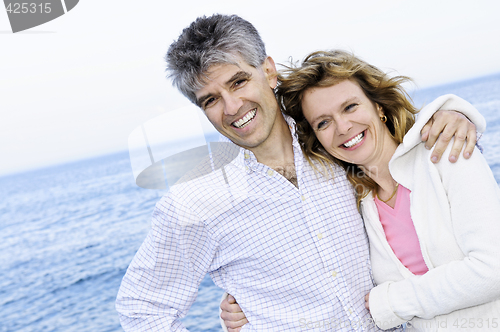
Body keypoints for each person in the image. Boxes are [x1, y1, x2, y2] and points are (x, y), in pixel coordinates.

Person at [115, 14, 480, 331]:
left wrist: (453, 113)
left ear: (269, 71)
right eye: (210, 100)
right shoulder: (198, 197)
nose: (231, 106)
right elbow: (143, 308)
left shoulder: (330, 135)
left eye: (238, 81)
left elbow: (400, 140)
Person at [220, 50, 500, 331]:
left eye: (350, 107)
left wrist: (389, 303)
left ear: (378, 105)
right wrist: (251, 304)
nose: (343, 127)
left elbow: (493, 270)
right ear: (317, 138)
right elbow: (325, 267)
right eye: (323, 123)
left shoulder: (445, 151)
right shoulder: (355, 199)